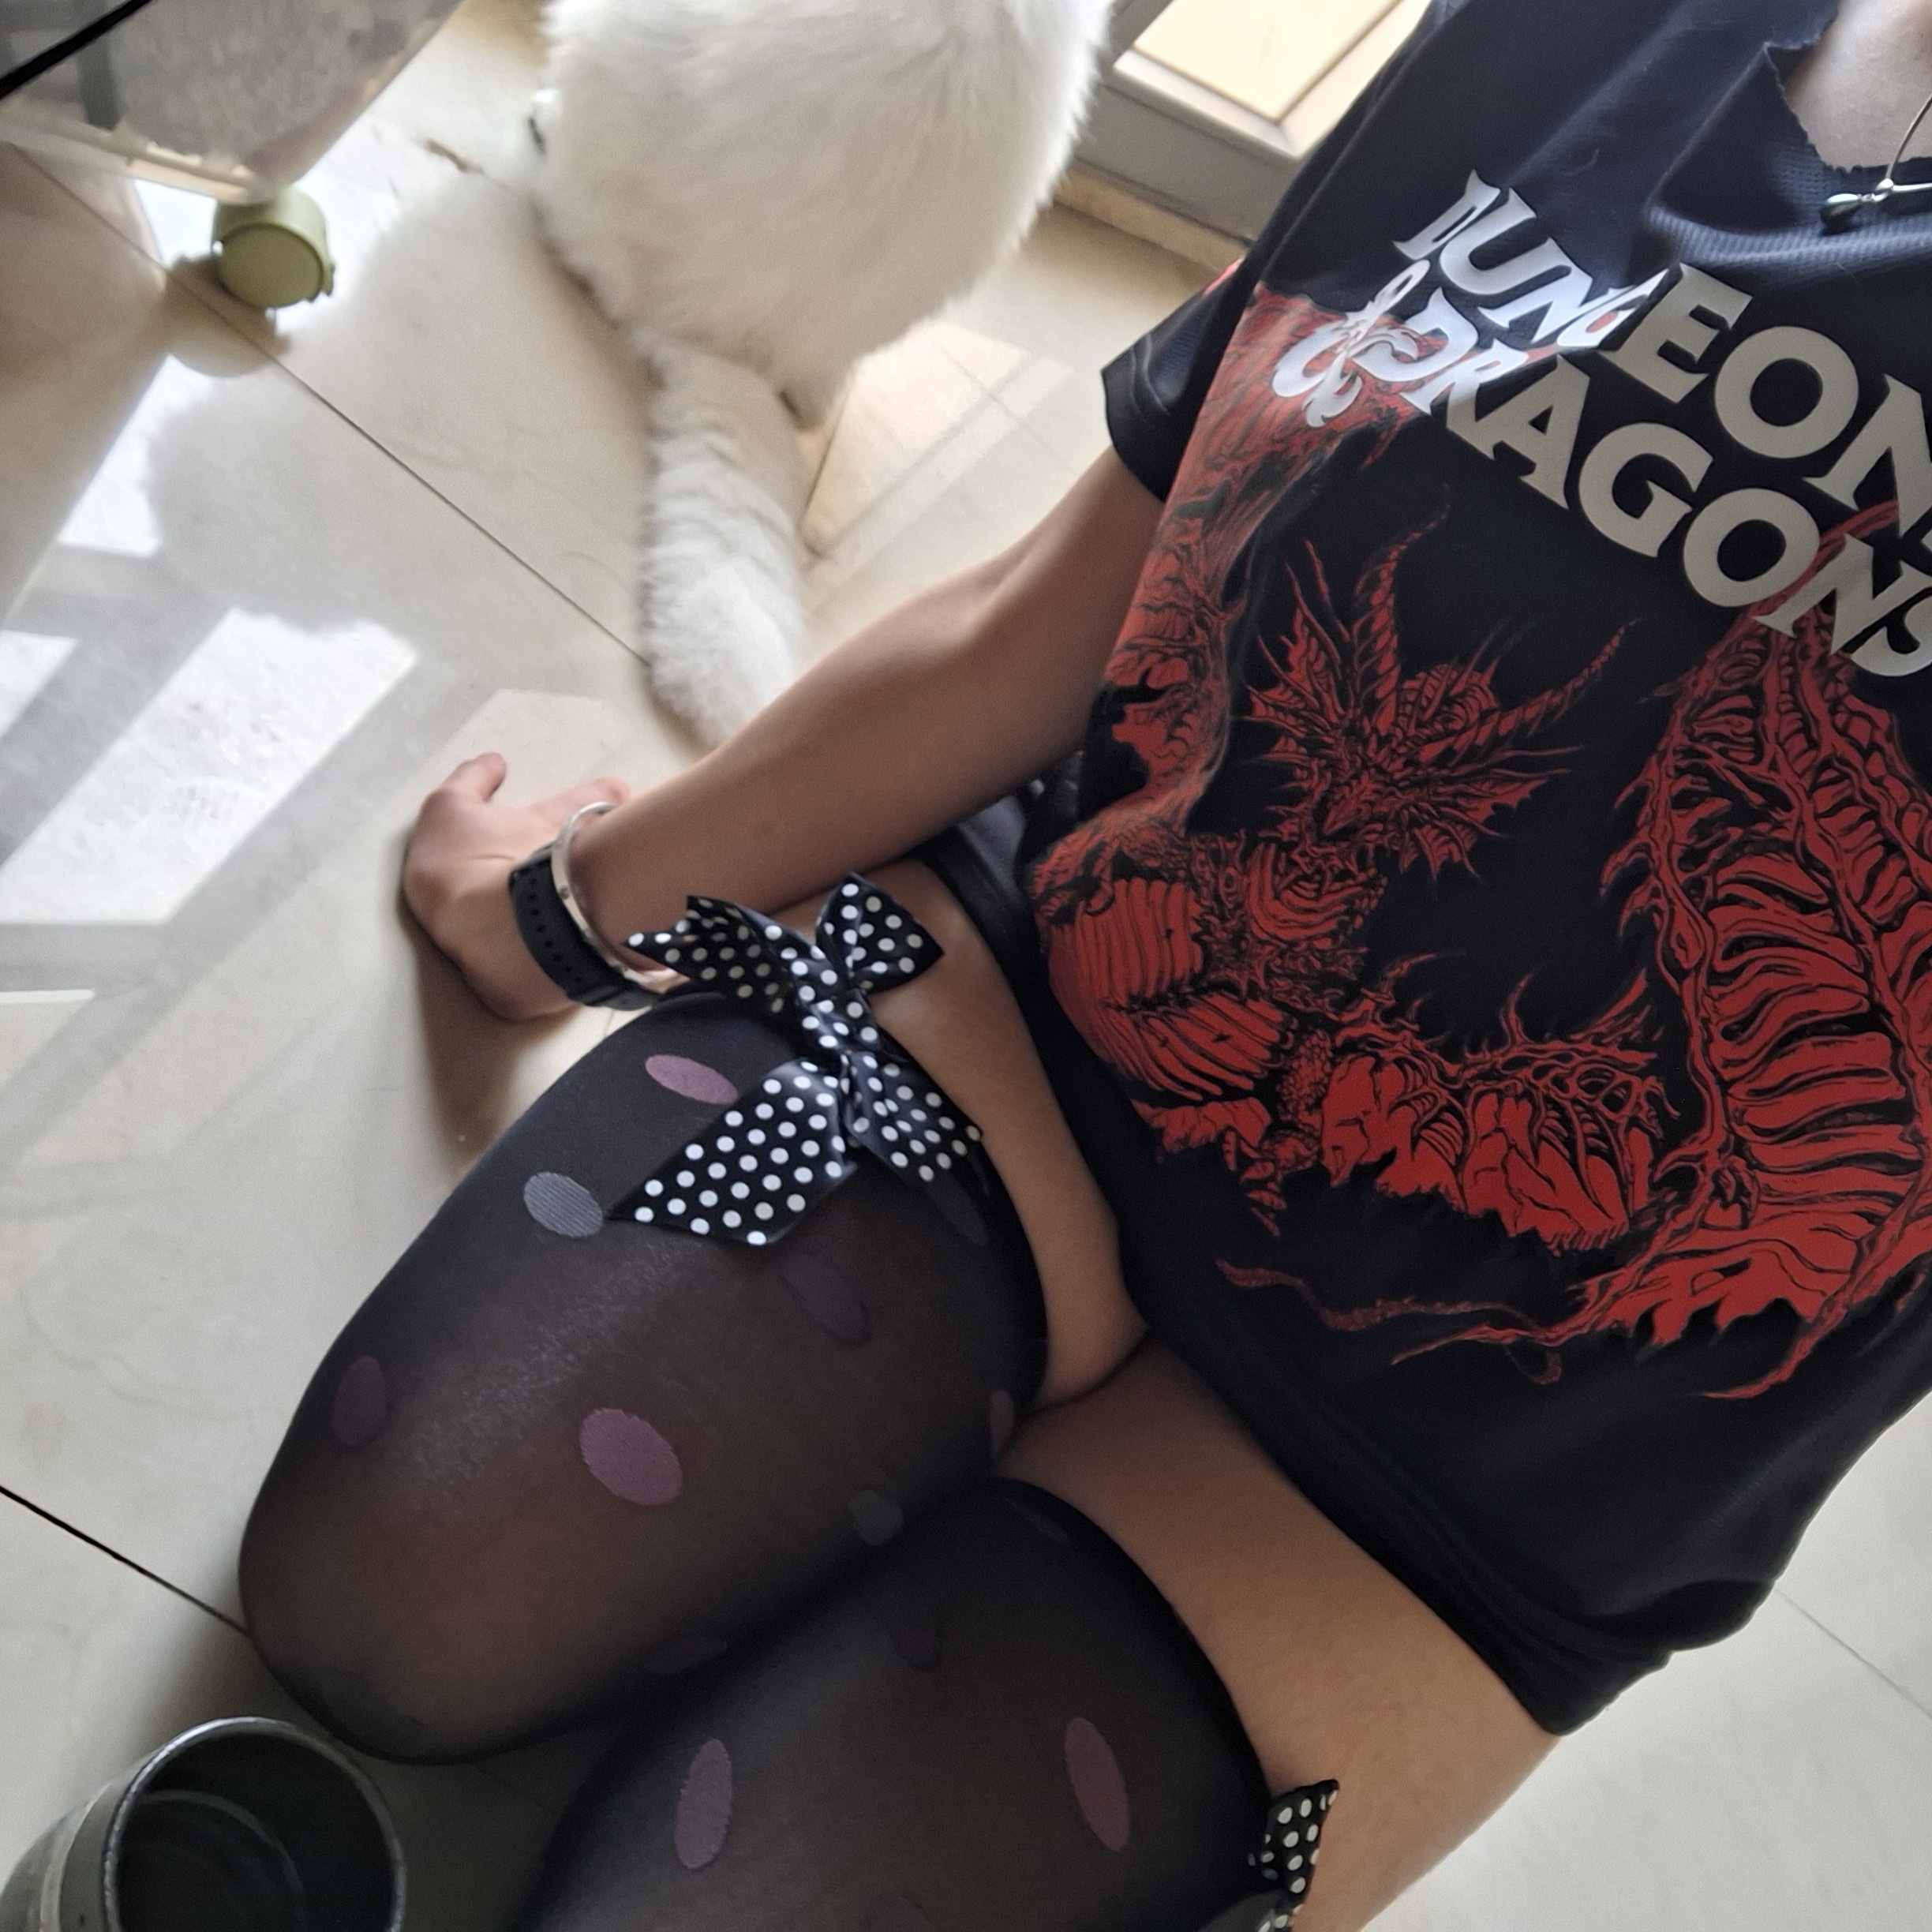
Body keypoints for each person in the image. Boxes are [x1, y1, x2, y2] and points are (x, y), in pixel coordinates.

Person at [237, 0, 1932, 1925]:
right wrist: (561, 912)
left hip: (1457, 1466)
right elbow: (1047, 612)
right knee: (395, 1600)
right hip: (1044, 1027)